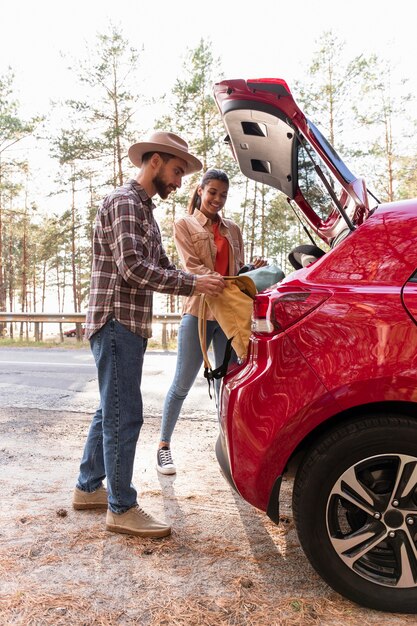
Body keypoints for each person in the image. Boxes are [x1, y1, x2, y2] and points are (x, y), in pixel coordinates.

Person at [72, 132, 226, 538]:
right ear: (154, 162)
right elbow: (134, 269)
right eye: (176, 171)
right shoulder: (124, 203)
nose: (178, 183)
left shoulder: (144, 213)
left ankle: (88, 487)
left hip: (127, 323)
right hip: (116, 320)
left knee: (110, 409)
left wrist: (198, 277)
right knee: (125, 415)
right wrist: (194, 287)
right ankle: (121, 507)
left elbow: (162, 265)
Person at [156, 168, 265, 475]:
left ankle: (230, 447)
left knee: (226, 383)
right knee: (182, 382)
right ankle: (163, 446)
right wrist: (220, 279)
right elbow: (193, 268)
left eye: (223, 195)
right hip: (199, 311)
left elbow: (234, 271)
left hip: (229, 312)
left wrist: (249, 269)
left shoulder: (232, 228)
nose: (217, 199)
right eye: (213, 192)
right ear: (201, 190)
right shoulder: (185, 224)